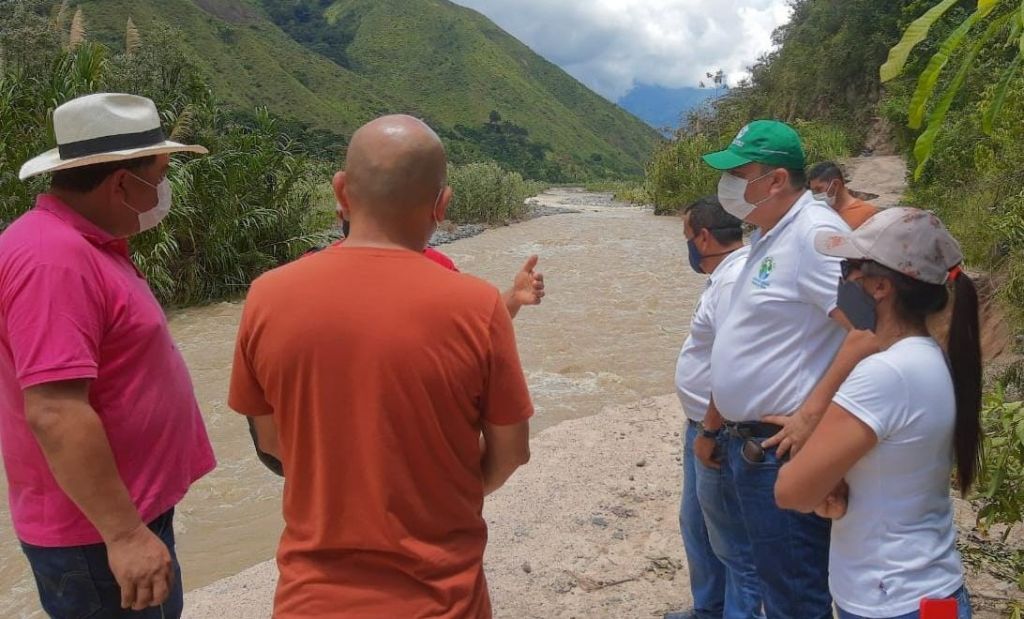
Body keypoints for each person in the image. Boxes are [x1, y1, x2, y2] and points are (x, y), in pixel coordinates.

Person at [229, 114, 534, 618]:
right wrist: (452, 485)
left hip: (310, 598)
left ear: (341, 191)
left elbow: (272, 444)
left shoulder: (266, 295)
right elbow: (511, 452)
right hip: (442, 598)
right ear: (442, 204)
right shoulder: (477, 306)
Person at [0, 93, 216, 617]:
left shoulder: (81, 245)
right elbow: (55, 411)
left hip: (123, 521)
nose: (163, 189)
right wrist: (123, 535)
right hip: (98, 538)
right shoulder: (54, 259)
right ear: (122, 182)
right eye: (160, 174)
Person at [776, 207, 979, 619]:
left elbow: (790, 490)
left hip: (894, 599)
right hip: (928, 593)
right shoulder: (927, 358)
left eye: (852, 268)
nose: (845, 280)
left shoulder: (885, 374)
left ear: (881, 286)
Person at [696, 120, 852, 618]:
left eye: (740, 173)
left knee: (795, 593)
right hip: (752, 446)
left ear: (777, 180)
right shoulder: (771, 233)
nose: (730, 185)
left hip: (783, 447)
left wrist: (814, 417)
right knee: (775, 580)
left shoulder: (815, 234)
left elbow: (871, 328)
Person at [665, 197, 764, 619]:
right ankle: (709, 607)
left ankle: (733, 611)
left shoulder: (730, 282)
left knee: (732, 544)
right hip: (702, 425)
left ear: (703, 237)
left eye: (687, 236)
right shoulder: (730, 274)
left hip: (718, 430)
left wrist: (708, 430)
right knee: (698, 525)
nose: (687, 245)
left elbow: (732, 364)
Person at [807, 161, 880, 229]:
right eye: (813, 191)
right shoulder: (821, 213)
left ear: (836, 184)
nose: (816, 195)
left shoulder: (867, 213)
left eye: (819, 189)